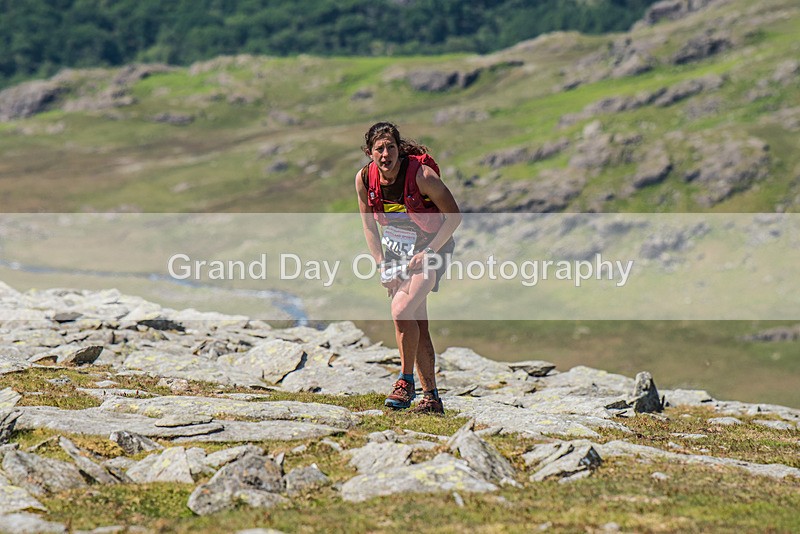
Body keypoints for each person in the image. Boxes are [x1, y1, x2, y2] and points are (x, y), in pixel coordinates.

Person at [355, 121, 462, 414]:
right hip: (396, 254)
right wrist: (382, 265)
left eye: (391, 147)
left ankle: (405, 382)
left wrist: (429, 252)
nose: (385, 154)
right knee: (416, 321)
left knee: (401, 310)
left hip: (433, 249)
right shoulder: (364, 180)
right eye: (379, 149)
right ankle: (432, 400)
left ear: (399, 149)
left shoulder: (422, 176)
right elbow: (369, 226)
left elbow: (454, 217)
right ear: (369, 152)